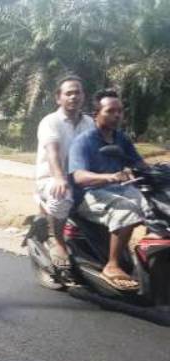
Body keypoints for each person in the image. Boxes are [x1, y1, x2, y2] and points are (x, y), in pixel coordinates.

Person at [68, 89, 160, 291]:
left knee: (154, 205)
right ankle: (112, 264)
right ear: (96, 114)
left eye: (119, 111)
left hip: (118, 189)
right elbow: (78, 176)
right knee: (127, 209)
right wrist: (108, 177)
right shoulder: (84, 141)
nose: (117, 115)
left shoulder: (121, 139)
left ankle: (152, 259)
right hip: (89, 195)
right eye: (110, 111)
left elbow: (139, 163)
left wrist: (158, 171)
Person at [34, 76, 95, 268]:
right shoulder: (50, 122)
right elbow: (52, 152)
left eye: (78, 92)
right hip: (51, 179)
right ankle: (58, 241)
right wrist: (60, 178)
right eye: (69, 93)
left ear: (83, 96)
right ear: (58, 98)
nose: (74, 96)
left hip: (81, 179)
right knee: (62, 193)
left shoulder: (89, 123)